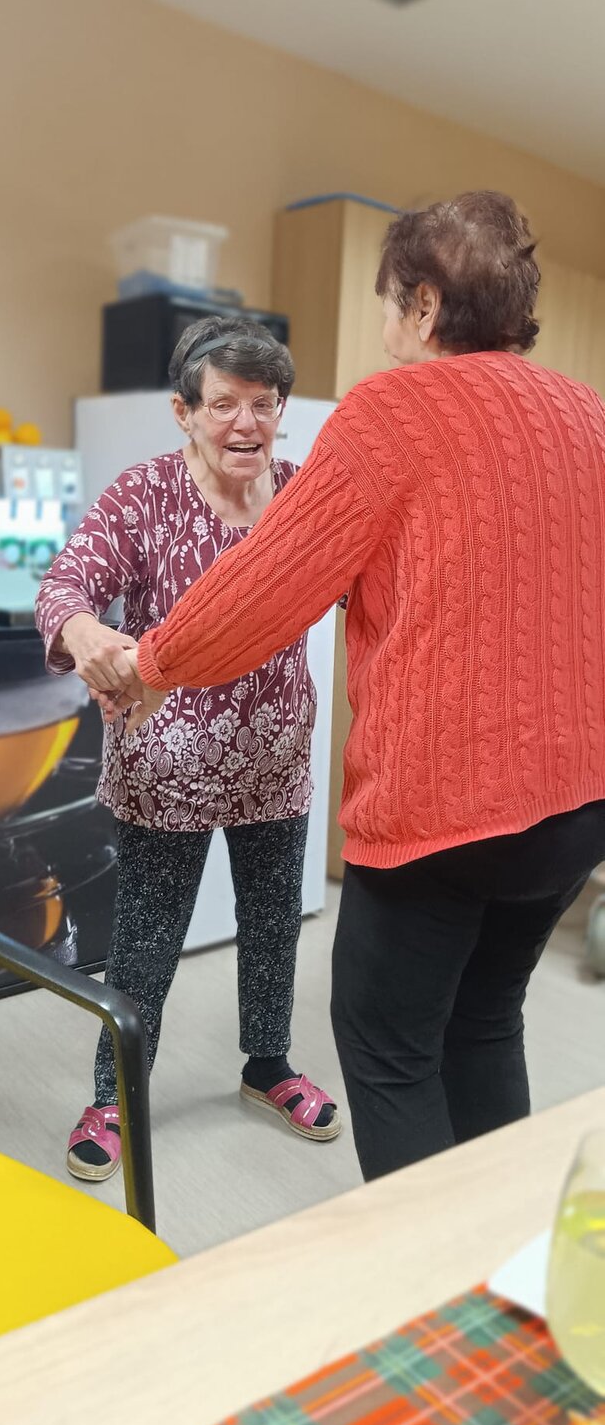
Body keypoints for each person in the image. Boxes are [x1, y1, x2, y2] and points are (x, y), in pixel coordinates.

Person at [99, 191, 605, 1182]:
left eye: (386, 303)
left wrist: (154, 664)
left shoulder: (391, 412)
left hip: (445, 808)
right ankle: (499, 1249)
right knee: (484, 1018)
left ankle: (420, 1270)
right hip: (575, 800)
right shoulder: (587, 413)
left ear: (423, 304)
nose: (384, 327)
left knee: (386, 1042)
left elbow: (264, 588)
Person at [35, 316, 340, 1183]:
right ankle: (113, 1095)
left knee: (272, 925)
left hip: (276, 759)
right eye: (224, 405)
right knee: (146, 942)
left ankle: (267, 1067)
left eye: (263, 404)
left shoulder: (301, 497)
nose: (246, 424)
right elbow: (65, 585)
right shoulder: (146, 495)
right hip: (165, 770)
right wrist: (86, 630)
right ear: (184, 411)